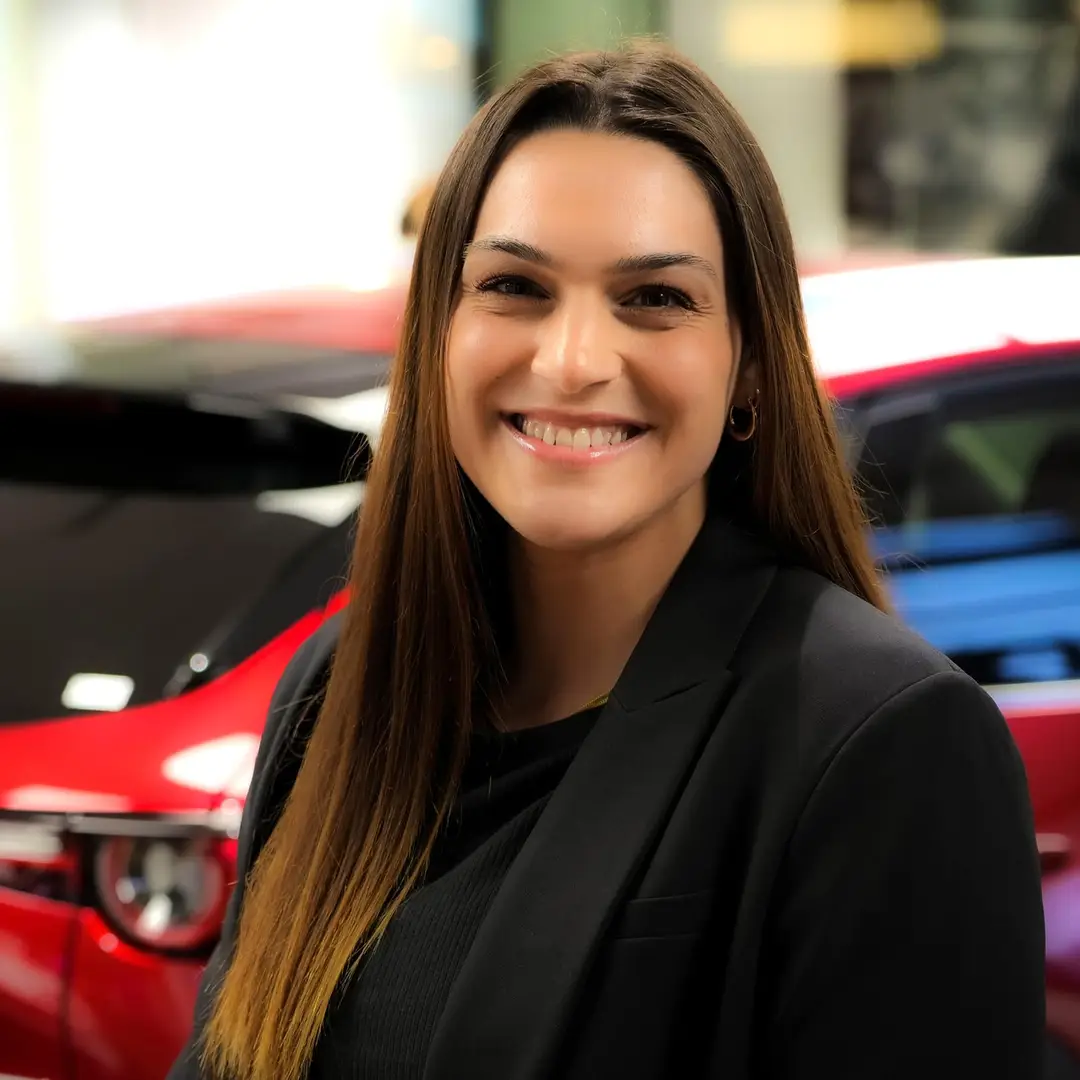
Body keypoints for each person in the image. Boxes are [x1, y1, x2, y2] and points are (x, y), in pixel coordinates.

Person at [169, 42, 1045, 1080]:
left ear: (751, 363)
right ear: (437, 335)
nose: (576, 360)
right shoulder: (341, 689)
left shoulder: (878, 744)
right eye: (514, 287)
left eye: (655, 299)